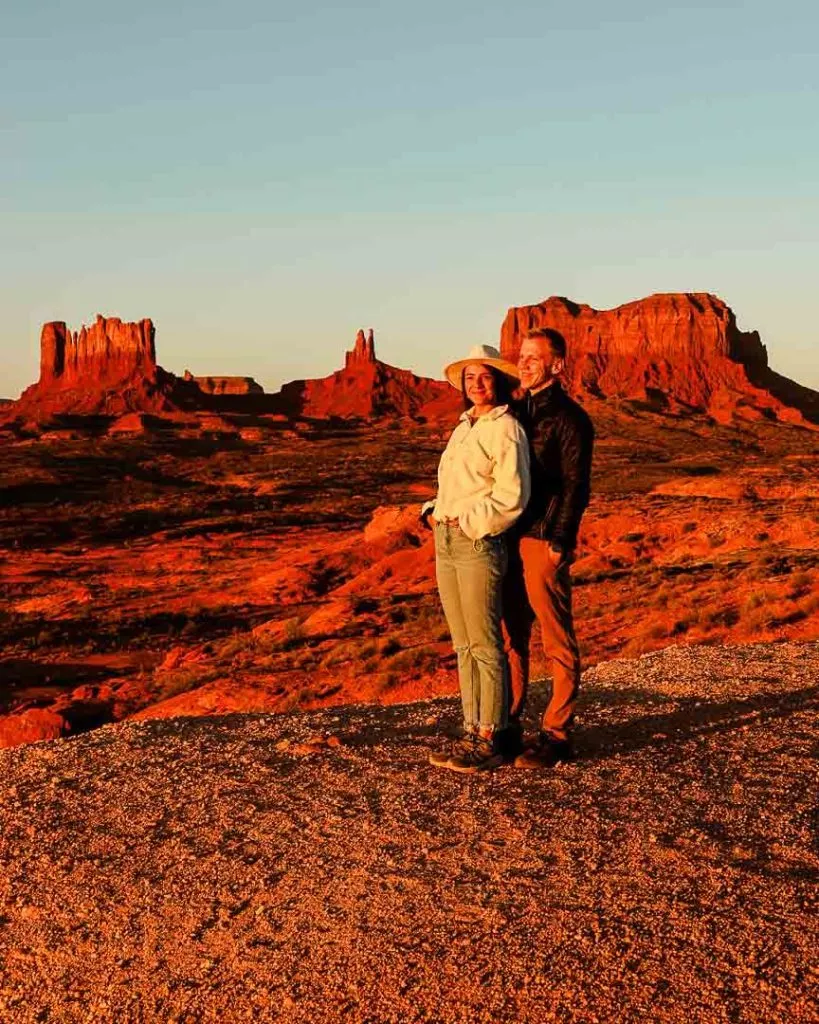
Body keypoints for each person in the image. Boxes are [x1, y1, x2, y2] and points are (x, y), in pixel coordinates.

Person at [422, 345, 530, 774]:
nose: (476, 385)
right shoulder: (464, 426)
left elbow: (511, 495)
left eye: (484, 377)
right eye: (469, 378)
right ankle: (472, 729)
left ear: (498, 381)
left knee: (485, 644)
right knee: (463, 643)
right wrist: (432, 510)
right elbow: (457, 484)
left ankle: (491, 735)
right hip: (446, 539)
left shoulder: (505, 428)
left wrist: (471, 524)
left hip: (477, 542)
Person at [502, 327, 594, 767]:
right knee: (510, 635)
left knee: (556, 639)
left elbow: (577, 485)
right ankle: (509, 725)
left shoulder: (571, 418)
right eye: (522, 355)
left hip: (542, 538)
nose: (525, 363)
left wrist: (561, 541)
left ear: (557, 365)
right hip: (509, 537)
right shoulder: (515, 412)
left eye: (534, 357)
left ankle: (557, 733)